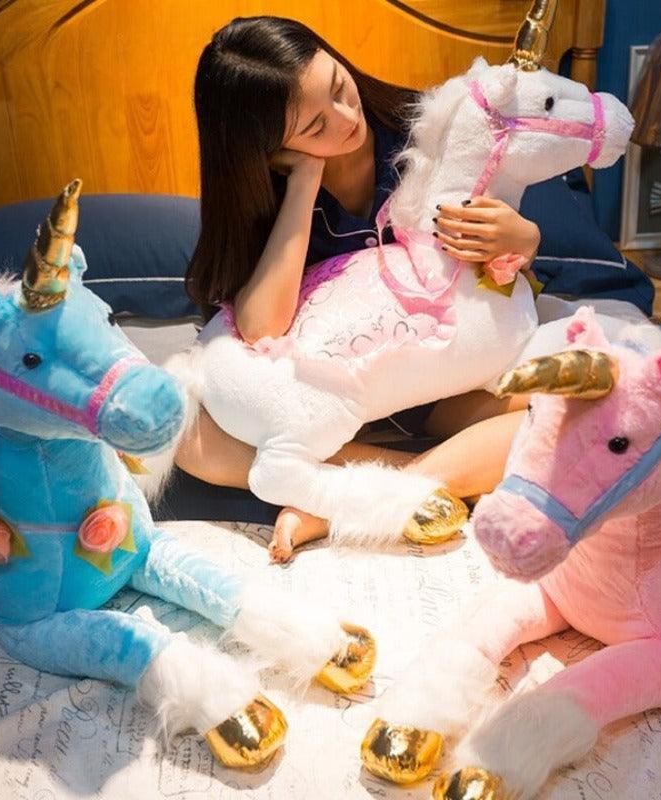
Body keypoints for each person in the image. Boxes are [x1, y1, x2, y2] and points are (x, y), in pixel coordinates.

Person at [177, 16, 539, 561]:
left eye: (339, 88)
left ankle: (341, 501)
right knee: (186, 436)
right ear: (270, 151)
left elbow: (499, 293)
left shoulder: (433, 133)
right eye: (314, 126)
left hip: (438, 388)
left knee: (570, 409)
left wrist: (524, 239)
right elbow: (260, 326)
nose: (348, 119)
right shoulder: (266, 197)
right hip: (324, 405)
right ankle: (420, 482)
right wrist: (304, 182)